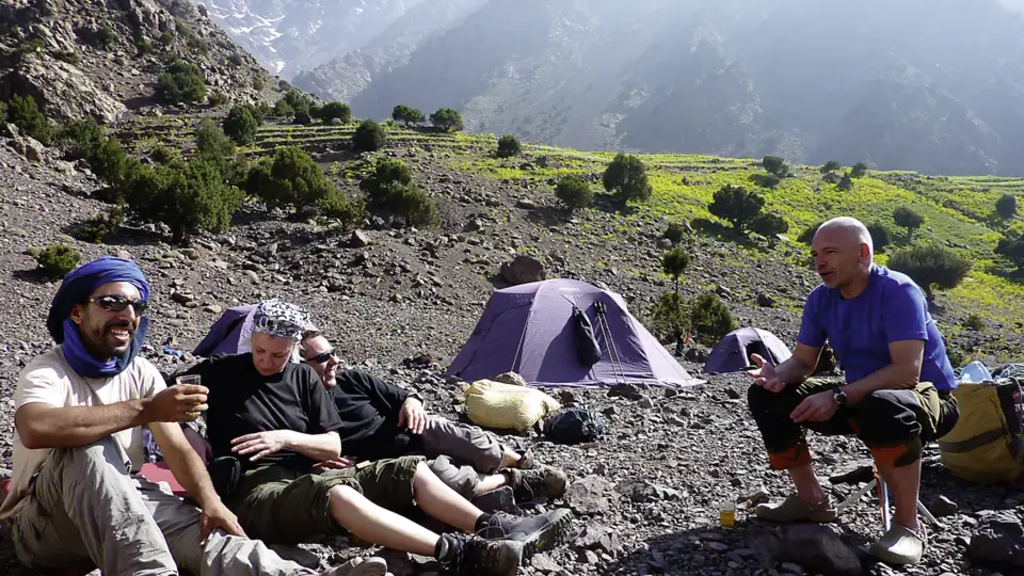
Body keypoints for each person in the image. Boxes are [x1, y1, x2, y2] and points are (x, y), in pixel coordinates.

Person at [2, 257, 383, 576]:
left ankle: (295, 574)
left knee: (204, 531)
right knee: (86, 447)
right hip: (43, 523)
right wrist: (146, 409)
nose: (127, 314)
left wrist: (210, 501)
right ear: (77, 311)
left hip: (124, 498)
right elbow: (36, 428)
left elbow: (177, 449)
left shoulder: (141, 372)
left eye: (135, 306)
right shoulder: (47, 371)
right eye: (112, 303)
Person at [179, 300, 574, 576]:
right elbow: (159, 396)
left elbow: (333, 444)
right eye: (260, 351)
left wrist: (286, 439)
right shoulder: (221, 371)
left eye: (278, 355)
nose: (266, 361)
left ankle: (493, 528)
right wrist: (187, 433)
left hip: (307, 473)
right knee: (334, 492)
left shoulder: (302, 379)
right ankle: (462, 553)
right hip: (255, 489)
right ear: (252, 339)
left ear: (294, 350)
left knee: (409, 470)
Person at [745, 217, 960, 565]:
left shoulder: (899, 291)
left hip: (927, 398)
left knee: (883, 405)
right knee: (767, 396)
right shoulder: (821, 299)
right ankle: (811, 500)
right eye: (815, 255)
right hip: (861, 394)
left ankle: (908, 525)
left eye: (830, 252)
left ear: (862, 253)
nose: (820, 262)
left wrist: (838, 397)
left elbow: (907, 372)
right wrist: (776, 375)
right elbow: (803, 362)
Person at [299, 330, 568, 502]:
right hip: (389, 462)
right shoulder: (300, 407)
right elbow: (300, 454)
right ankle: (514, 480)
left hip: (415, 430)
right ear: (301, 367)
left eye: (334, 353)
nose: (335, 361)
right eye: (323, 357)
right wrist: (321, 461)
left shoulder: (352, 380)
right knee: (453, 484)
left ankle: (524, 462)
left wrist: (412, 403)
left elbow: (405, 396)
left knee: (473, 444)